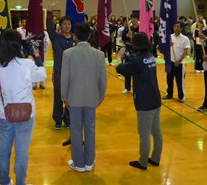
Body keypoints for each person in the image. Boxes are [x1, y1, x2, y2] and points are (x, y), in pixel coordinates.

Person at [0, 29, 46, 185]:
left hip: (4, 113)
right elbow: (42, 75)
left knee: (4, 150)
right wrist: (36, 55)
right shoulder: (27, 64)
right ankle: (20, 183)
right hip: (25, 114)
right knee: (21, 152)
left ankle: (4, 181)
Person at [61, 22, 107, 173]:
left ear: (74, 35)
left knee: (75, 130)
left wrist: (64, 97)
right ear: (89, 35)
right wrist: (100, 97)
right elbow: (103, 79)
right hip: (92, 97)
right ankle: (89, 161)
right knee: (90, 129)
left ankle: (79, 163)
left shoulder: (68, 53)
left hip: (73, 98)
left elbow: (64, 78)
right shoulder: (99, 54)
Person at [116, 32, 163, 170]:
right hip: (155, 97)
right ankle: (155, 158)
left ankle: (142, 161)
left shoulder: (136, 60)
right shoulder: (150, 56)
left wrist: (120, 58)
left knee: (144, 133)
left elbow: (122, 69)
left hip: (144, 100)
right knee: (156, 130)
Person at [46, 10, 74, 130]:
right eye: (64, 24)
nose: (67, 26)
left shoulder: (75, 39)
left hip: (72, 73)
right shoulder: (56, 37)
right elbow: (48, 27)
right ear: (60, 25)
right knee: (58, 97)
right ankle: (57, 119)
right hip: (58, 72)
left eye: (68, 24)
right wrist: (50, 12)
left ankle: (68, 119)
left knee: (70, 97)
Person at [163, 22, 190, 102]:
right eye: (175, 26)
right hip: (170, 62)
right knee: (169, 79)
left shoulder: (185, 38)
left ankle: (181, 96)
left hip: (179, 63)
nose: (176, 28)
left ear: (181, 28)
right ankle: (169, 94)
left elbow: (185, 51)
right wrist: (168, 45)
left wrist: (179, 60)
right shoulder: (170, 37)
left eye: (178, 27)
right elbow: (165, 49)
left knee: (180, 80)